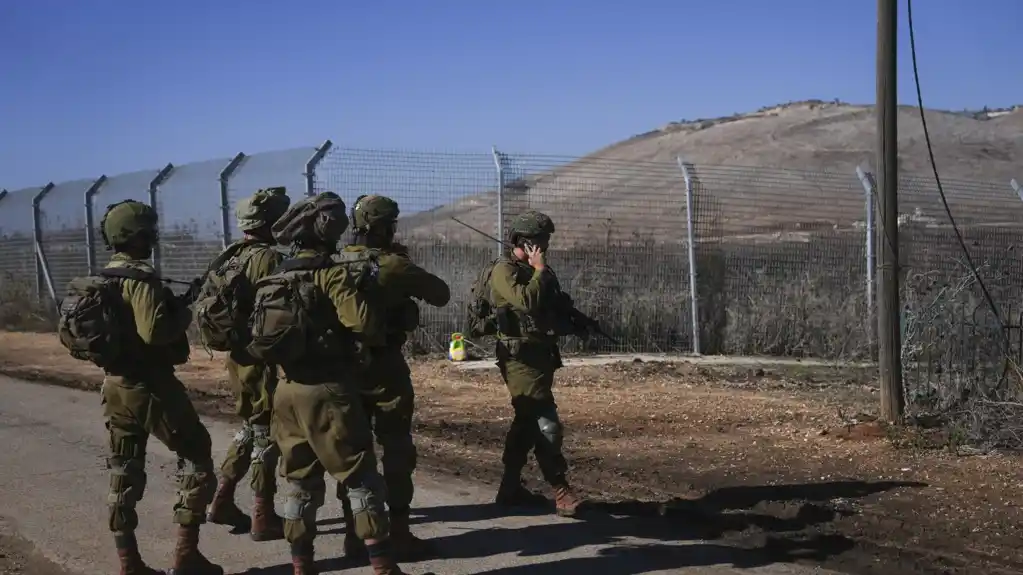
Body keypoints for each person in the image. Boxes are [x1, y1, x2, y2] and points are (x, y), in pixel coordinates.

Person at [247, 192, 429, 575]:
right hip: (329, 390)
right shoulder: (331, 275)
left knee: (299, 483)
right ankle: (383, 567)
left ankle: (301, 566)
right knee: (362, 478)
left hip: (286, 391)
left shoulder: (276, 275)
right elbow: (364, 324)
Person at [96, 200, 223, 574]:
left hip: (114, 384)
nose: (153, 236)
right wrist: (186, 311)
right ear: (136, 235)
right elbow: (155, 333)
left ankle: (129, 562)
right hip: (150, 385)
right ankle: (187, 554)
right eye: (148, 230)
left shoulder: (106, 275)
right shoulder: (141, 277)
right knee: (197, 454)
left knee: (123, 467)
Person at [335, 195, 451, 561]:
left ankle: (356, 535)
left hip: (339, 370)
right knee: (397, 448)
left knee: (352, 452)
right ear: (383, 227)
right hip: (384, 369)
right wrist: (402, 265)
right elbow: (441, 294)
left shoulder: (333, 264)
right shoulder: (391, 264)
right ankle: (399, 532)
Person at [205, 187, 291, 541]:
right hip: (262, 358)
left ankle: (222, 501)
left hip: (238, 357)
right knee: (266, 437)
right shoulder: (268, 258)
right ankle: (262, 514)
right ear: (269, 221)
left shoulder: (227, 256)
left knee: (251, 428)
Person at [488, 210, 584, 517]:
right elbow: (525, 302)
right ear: (525, 241)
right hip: (518, 358)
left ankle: (509, 488)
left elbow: (549, 306)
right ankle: (560, 489)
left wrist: (575, 321)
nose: (545, 245)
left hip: (541, 356)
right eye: (540, 240)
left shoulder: (538, 269)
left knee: (526, 421)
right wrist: (539, 270)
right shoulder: (504, 270)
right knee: (546, 423)